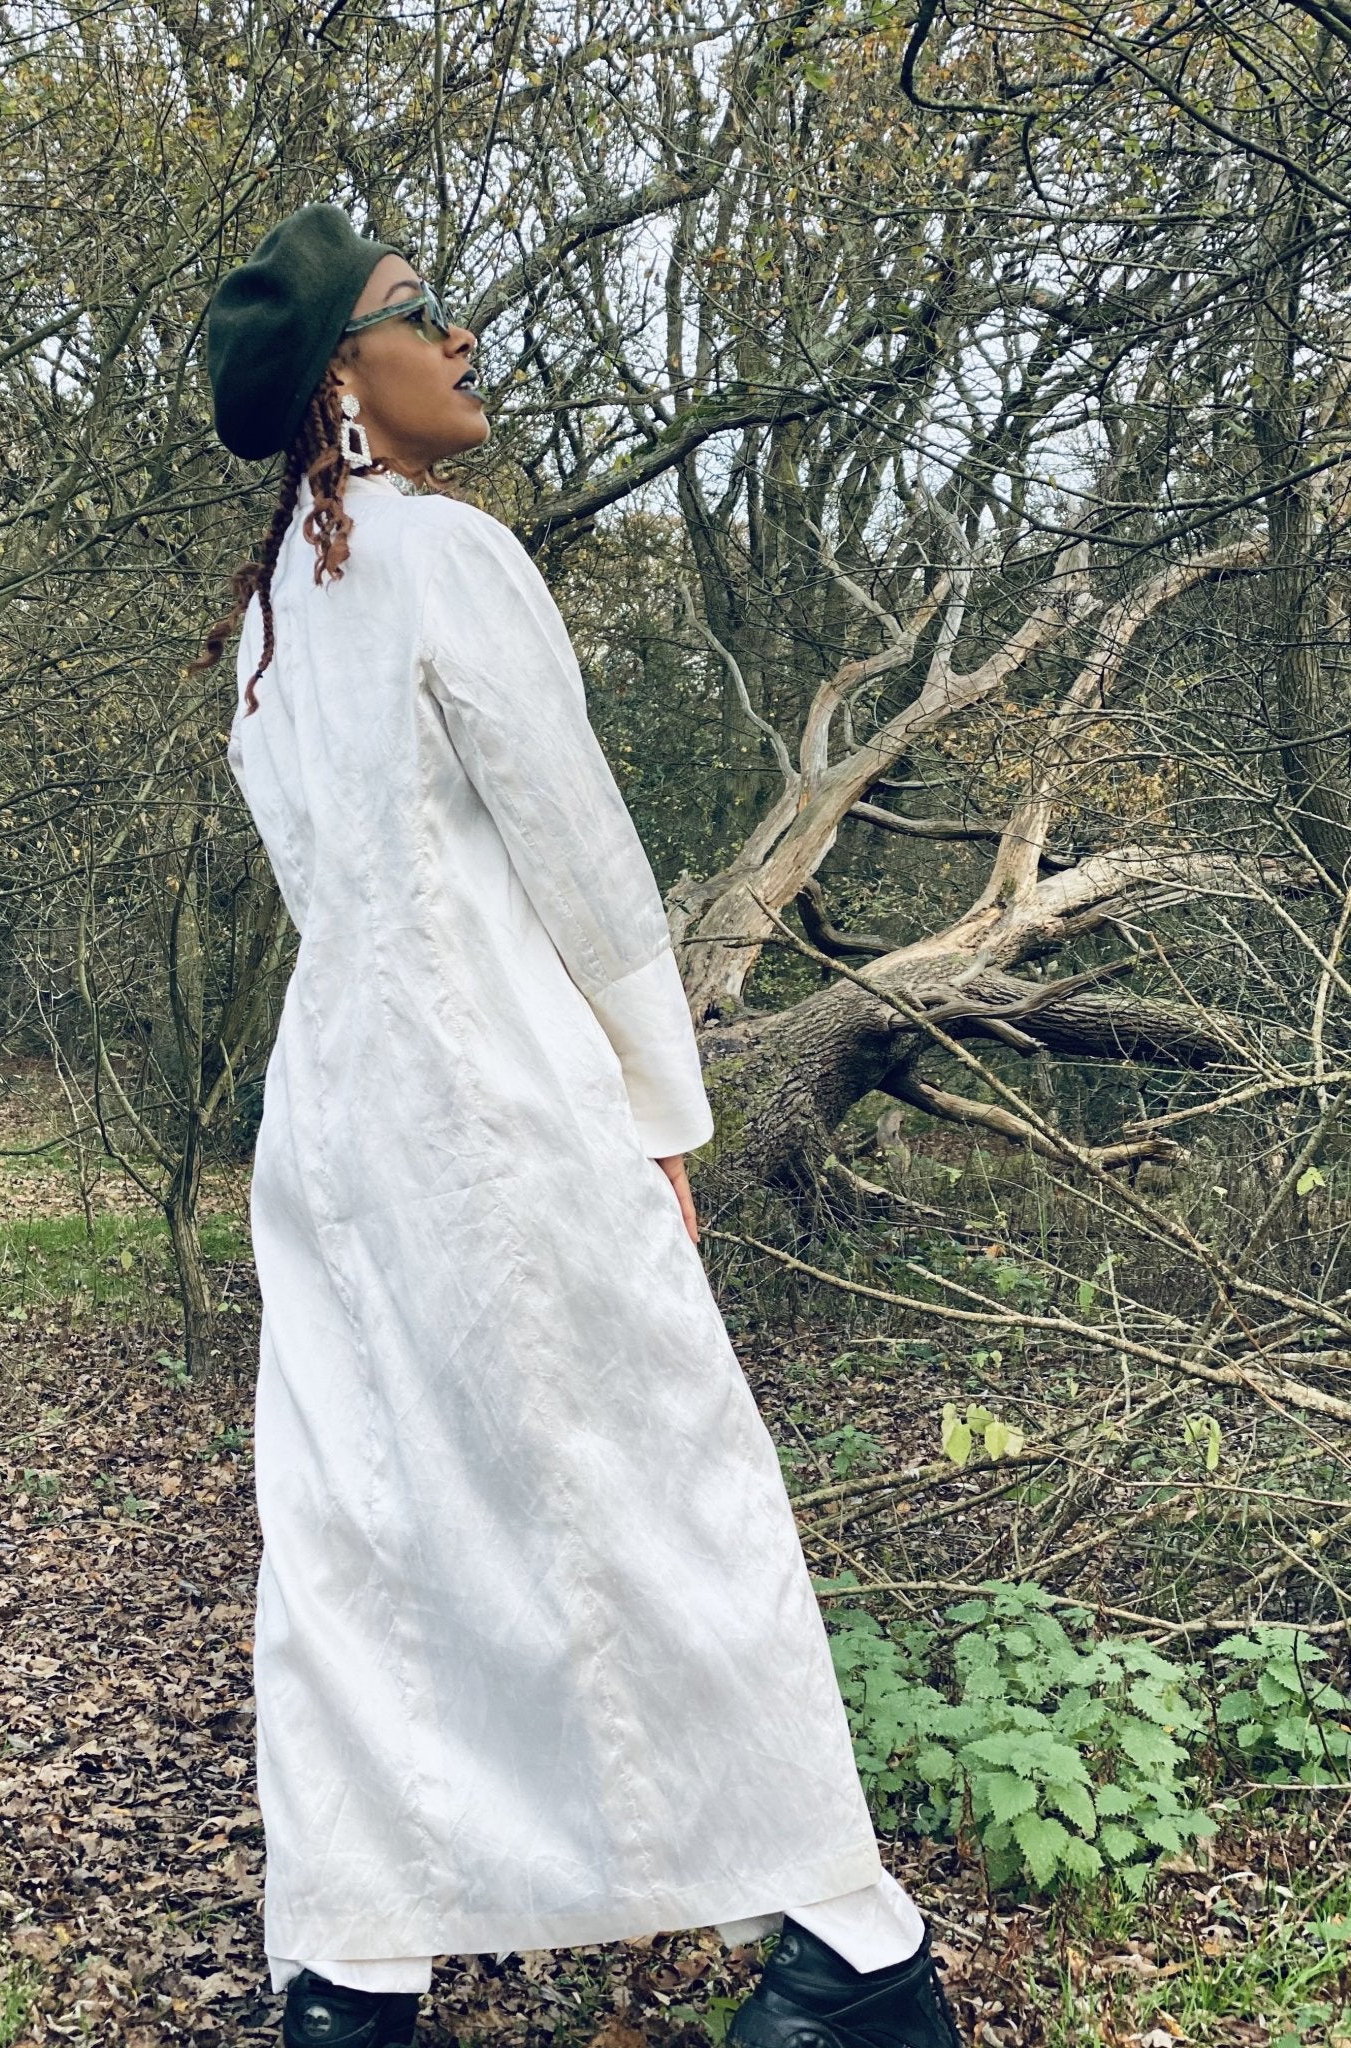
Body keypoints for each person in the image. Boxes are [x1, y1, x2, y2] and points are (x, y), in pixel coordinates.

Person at [198, 203, 961, 2048]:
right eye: (421, 310)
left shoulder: (270, 628)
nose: (463, 335)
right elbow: (586, 865)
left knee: (360, 1531)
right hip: (496, 1094)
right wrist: (657, 1107)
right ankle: (855, 1960)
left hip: (337, 1125)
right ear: (342, 380)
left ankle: (352, 1982)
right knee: (658, 1483)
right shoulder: (447, 557)